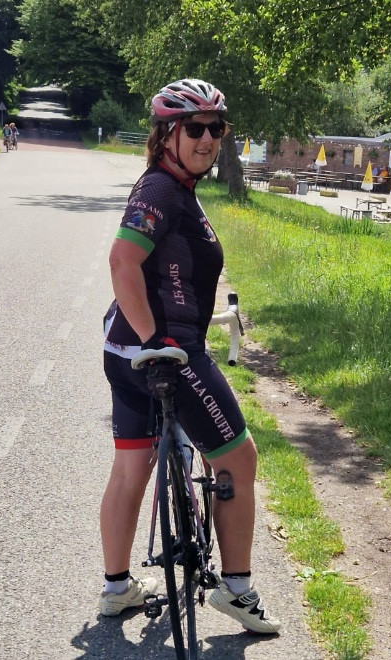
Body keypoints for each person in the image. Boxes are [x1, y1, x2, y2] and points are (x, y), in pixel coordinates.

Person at [99, 78, 280, 634]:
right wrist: (157, 340)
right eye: (195, 128)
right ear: (166, 135)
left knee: (132, 466)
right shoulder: (161, 190)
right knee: (237, 459)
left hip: (122, 350)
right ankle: (237, 590)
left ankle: (117, 589)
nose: (208, 139)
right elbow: (122, 261)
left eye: (216, 128)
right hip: (167, 355)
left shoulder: (175, 188)